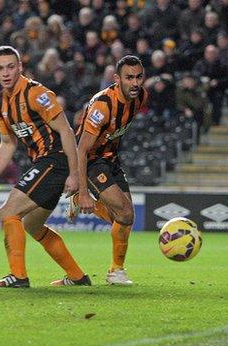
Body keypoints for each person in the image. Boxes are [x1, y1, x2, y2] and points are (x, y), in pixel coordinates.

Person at [0, 46, 90, 288]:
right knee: (31, 224)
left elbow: (67, 131)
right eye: (0, 68)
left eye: (11, 66)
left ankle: (18, 277)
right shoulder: (0, 103)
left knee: (7, 213)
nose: (6, 72)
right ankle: (78, 277)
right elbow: (7, 143)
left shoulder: (36, 94)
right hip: (44, 162)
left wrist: (75, 174)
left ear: (20, 67)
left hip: (55, 159)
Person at [67, 55, 148, 285]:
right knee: (124, 211)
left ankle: (116, 270)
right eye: (129, 77)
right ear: (116, 79)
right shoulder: (102, 106)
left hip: (112, 157)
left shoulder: (140, 96)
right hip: (91, 161)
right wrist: (83, 192)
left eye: (138, 77)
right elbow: (81, 150)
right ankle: (116, 271)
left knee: (125, 216)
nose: (135, 83)